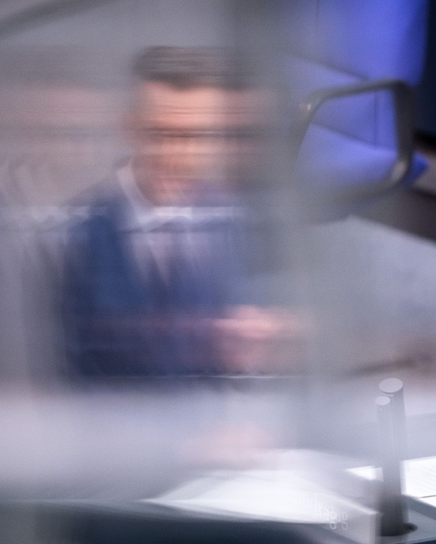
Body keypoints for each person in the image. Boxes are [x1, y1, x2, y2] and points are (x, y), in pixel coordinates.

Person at [62, 46, 302, 378]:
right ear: (130, 129)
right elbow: (67, 365)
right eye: (160, 135)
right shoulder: (79, 232)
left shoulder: (236, 219)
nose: (178, 154)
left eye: (196, 136)